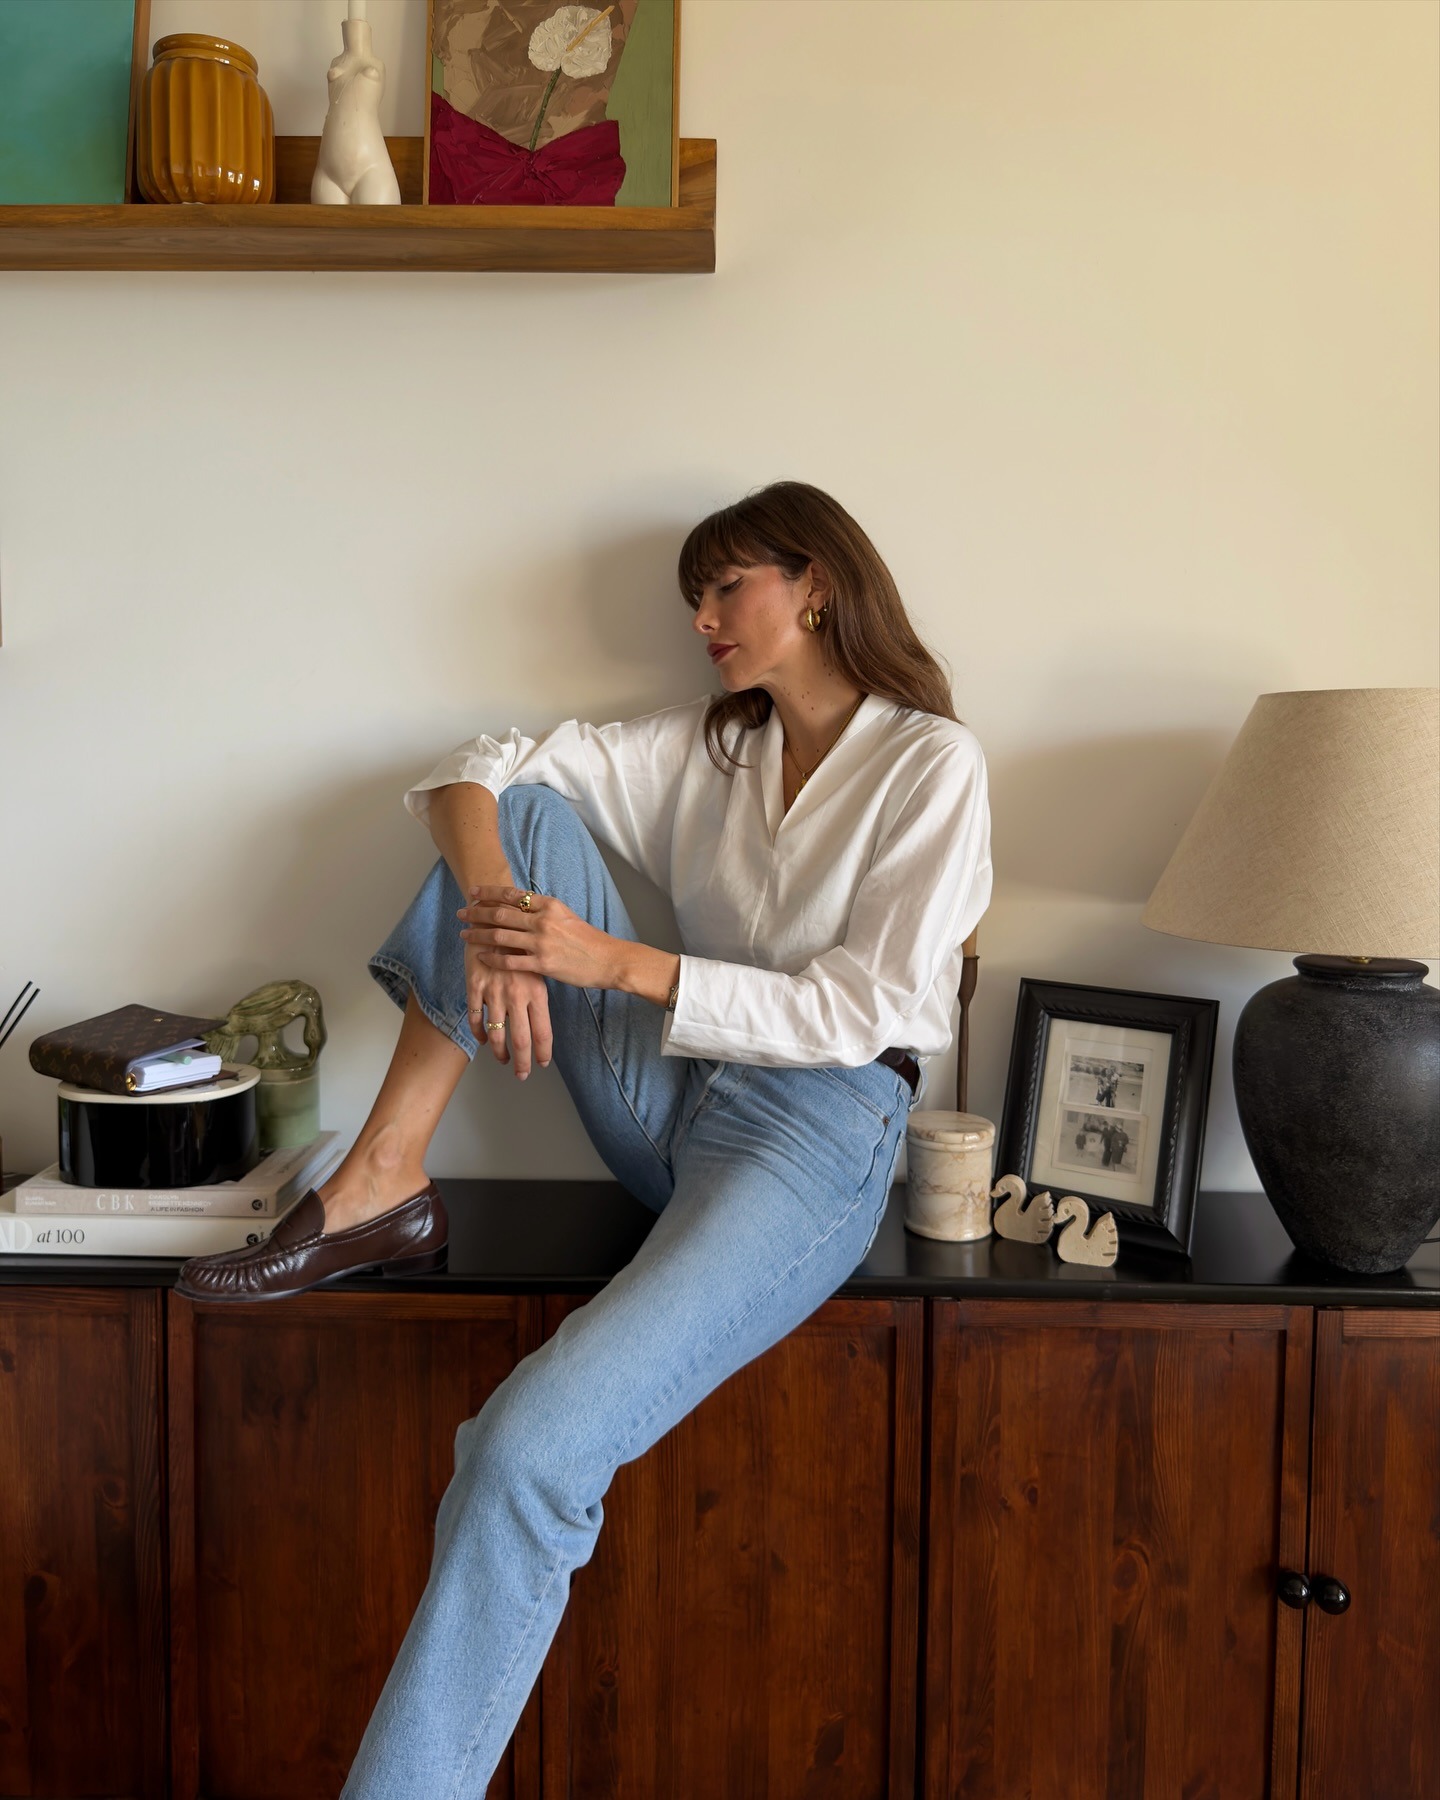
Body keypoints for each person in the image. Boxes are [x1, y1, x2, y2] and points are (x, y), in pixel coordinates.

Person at [173, 479, 993, 1795]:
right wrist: (501, 898)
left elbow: (880, 1007)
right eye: (695, 593)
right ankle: (384, 1175)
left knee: (524, 1452)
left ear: (818, 584)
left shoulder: (928, 763)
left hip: (815, 1132)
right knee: (524, 820)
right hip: (672, 1098)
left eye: (729, 586)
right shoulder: (715, 749)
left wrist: (616, 963)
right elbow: (468, 771)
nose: (702, 615)